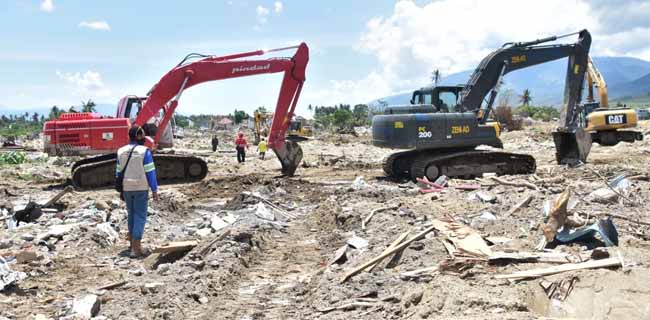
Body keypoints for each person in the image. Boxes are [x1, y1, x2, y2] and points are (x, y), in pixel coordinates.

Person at [116, 125, 159, 258]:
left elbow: (118, 172)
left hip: (127, 188)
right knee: (140, 215)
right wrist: (154, 189)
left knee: (131, 214)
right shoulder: (144, 151)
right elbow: (150, 171)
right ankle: (136, 247)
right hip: (140, 187)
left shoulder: (120, 151)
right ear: (139, 136)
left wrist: (121, 189)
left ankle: (132, 244)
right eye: (143, 135)